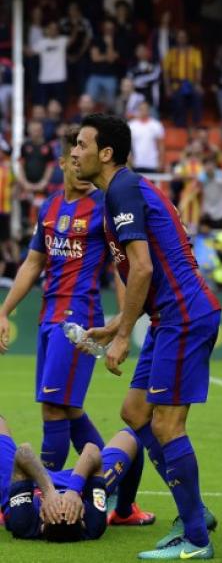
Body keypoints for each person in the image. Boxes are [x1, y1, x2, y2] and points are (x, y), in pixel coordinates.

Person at [72, 113, 221, 559]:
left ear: (106, 153)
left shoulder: (121, 189)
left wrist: (121, 340)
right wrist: (120, 322)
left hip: (184, 317)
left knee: (166, 425)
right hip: (168, 317)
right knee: (135, 411)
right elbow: (149, 267)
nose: (73, 152)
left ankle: (195, 537)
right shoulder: (122, 190)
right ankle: (194, 510)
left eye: (81, 144)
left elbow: (143, 267)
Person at [0, 131, 126, 492]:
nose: (78, 164)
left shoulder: (104, 206)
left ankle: (43, 492)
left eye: (81, 157)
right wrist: (4, 310)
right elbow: (32, 263)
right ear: (62, 163)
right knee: (68, 410)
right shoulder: (51, 206)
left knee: (53, 409)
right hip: (48, 318)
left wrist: (121, 319)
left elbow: (120, 264)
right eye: (73, 159)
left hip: (78, 320)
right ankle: (111, 481)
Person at [0, 415, 143, 542]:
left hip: (31, 480)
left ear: (42, 521)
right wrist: (74, 490)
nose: (62, 502)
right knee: (130, 437)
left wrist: (49, 492)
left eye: (54, 508)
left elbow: (23, 452)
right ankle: (124, 513)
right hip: (79, 481)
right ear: (82, 519)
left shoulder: (24, 523)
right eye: (69, 508)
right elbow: (91, 450)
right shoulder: (93, 523)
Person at [128, 101, 165, 174]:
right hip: (137, 164)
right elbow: (127, 146)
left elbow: (160, 145)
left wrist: (160, 161)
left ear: (149, 110)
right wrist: (130, 160)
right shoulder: (131, 125)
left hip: (152, 164)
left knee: (150, 185)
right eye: (141, 109)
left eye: (145, 109)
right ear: (138, 110)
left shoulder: (156, 125)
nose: (143, 111)